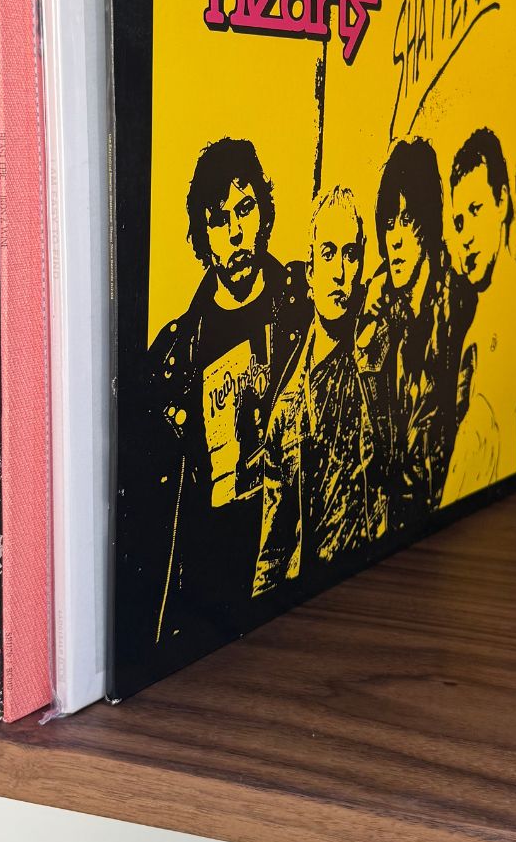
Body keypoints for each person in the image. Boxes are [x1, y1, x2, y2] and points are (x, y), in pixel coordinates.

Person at [140, 138, 309, 649]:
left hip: (292, 569)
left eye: (245, 209)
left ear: (264, 212)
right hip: (207, 582)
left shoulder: (303, 307)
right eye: (218, 220)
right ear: (202, 235)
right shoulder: (173, 351)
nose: (236, 232)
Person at [254, 186, 390, 595]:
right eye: (328, 254)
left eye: (351, 255)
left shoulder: (381, 365)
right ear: (311, 272)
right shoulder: (286, 407)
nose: (340, 272)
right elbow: (272, 552)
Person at [356, 137, 474, 531]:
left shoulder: (459, 310)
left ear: (429, 221)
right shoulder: (377, 322)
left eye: (407, 220)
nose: (396, 238)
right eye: (389, 223)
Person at [442, 128, 516, 505]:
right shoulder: (471, 330)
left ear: (503, 202)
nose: (466, 236)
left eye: (475, 211)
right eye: (459, 222)